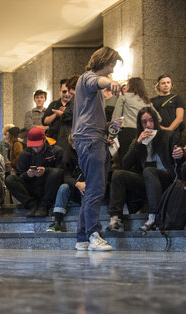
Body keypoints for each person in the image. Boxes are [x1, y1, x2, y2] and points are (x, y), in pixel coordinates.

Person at [72, 46, 123, 251]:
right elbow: (99, 81)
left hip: (93, 138)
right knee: (95, 189)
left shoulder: (90, 85)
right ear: (104, 61)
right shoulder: (89, 78)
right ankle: (94, 235)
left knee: (92, 189)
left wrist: (107, 133)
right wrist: (111, 83)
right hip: (91, 140)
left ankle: (82, 238)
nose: (111, 69)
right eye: (111, 64)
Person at [107, 108, 184, 232]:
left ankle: (154, 216)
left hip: (167, 180)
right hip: (147, 182)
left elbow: (179, 158)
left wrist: (180, 153)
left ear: (156, 122)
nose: (148, 125)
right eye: (144, 122)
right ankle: (115, 218)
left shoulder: (169, 136)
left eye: (151, 121)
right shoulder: (137, 140)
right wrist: (138, 143)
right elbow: (125, 164)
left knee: (149, 170)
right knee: (118, 174)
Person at [5, 127, 63, 218]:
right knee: (10, 179)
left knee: (55, 173)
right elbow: (19, 175)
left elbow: (61, 172)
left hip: (48, 187)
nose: (36, 148)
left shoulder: (56, 151)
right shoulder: (25, 153)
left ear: (44, 140)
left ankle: (44, 206)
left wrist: (46, 171)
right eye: (33, 146)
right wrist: (27, 174)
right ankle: (31, 205)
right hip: (31, 187)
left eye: (38, 145)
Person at [111, 77, 156, 163]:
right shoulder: (146, 101)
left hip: (127, 132)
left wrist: (112, 135)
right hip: (143, 133)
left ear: (130, 85)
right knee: (140, 161)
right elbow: (158, 118)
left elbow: (116, 118)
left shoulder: (124, 96)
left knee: (126, 160)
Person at [48, 135, 83, 232]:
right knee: (63, 187)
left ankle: (85, 222)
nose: (75, 146)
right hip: (75, 186)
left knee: (87, 188)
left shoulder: (90, 154)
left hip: (88, 186)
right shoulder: (68, 155)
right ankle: (57, 222)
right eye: (73, 144)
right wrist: (77, 184)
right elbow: (66, 176)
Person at [151, 74, 185, 141]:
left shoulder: (177, 98)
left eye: (168, 82)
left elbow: (180, 117)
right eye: (163, 83)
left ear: (171, 84)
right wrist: (159, 127)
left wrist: (170, 129)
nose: (166, 85)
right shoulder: (152, 101)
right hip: (158, 132)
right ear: (158, 86)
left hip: (174, 133)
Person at [42, 79, 72, 146]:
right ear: (60, 92)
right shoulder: (54, 105)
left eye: (69, 91)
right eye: (64, 91)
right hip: (54, 141)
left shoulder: (75, 105)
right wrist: (56, 115)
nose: (67, 94)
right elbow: (45, 121)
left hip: (70, 142)